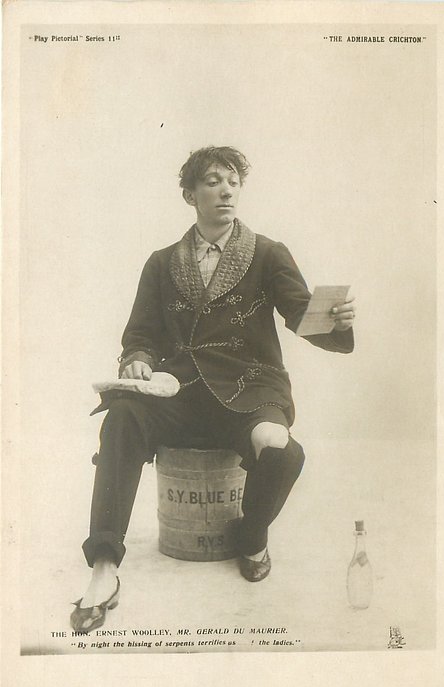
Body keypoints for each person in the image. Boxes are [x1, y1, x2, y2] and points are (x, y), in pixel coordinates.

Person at [70, 146, 356, 633]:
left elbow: (302, 315)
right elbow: (139, 336)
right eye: (212, 181)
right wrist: (138, 361)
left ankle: (252, 536)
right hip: (176, 393)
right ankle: (103, 567)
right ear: (190, 195)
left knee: (280, 447)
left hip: (250, 389)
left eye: (233, 182)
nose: (226, 191)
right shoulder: (161, 263)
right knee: (121, 416)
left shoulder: (268, 253)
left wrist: (336, 321)